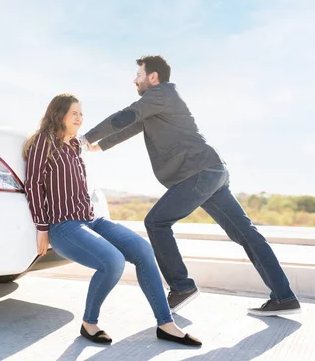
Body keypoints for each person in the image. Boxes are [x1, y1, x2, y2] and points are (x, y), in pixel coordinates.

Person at [80, 55, 301, 317]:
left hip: (197, 172)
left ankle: (182, 287)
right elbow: (132, 125)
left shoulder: (160, 94)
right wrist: (100, 145)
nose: (134, 79)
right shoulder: (159, 104)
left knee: (156, 222)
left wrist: (84, 137)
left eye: (138, 74)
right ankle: (284, 297)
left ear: (153, 77)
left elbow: (126, 115)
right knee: (247, 234)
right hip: (212, 170)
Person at [23, 93, 201, 346]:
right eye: (74, 112)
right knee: (113, 261)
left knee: (143, 250)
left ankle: (166, 324)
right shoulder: (44, 141)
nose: (79, 118)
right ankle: (89, 323)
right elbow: (33, 184)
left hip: (91, 220)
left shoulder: (75, 146)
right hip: (64, 225)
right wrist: (42, 228)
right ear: (58, 113)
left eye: (81, 113)